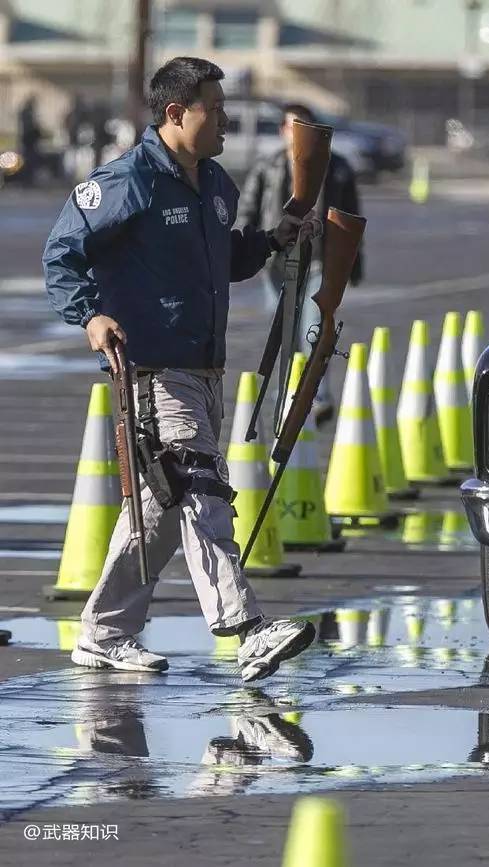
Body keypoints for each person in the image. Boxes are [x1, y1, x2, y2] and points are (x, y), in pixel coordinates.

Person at [42, 56, 320, 682]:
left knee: (161, 506)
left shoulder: (216, 185)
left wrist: (273, 239)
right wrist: (90, 317)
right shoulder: (126, 182)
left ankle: (104, 632)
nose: (225, 122)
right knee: (199, 487)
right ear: (176, 113)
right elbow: (62, 252)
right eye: (215, 111)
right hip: (151, 369)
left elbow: (226, 260)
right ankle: (245, 626)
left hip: (202, 369)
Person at [238, 102, 363, 424]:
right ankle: (287, 395)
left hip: (319, 261)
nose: (297, 134)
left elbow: (350, 215)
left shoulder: (336, 167)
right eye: (291, 127)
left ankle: (316, 396)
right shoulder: (269, 165)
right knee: (285, 333)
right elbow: (249, 210)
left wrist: (353, 261)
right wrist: (246, 247)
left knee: (312, 329)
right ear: (282, 131)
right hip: (277, 263)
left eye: (304, 127)